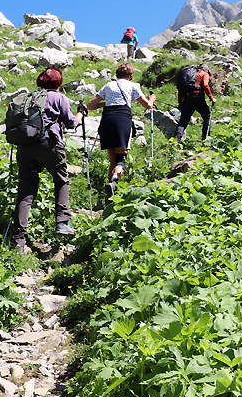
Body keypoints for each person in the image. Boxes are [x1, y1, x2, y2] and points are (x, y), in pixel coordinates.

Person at [11, 68, 85, 253]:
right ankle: (62, 223)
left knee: (26, 193)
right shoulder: (59, 98)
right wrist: (80, 114)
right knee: (61, 180)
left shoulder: (29, 97)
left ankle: (19, 241)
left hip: (25, 146)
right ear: (58, 83)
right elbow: (71, 124)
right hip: (49, 143)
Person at [85, 62, 155, 200]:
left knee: (112, 160)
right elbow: (147, 106)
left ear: (117, 74)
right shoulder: (132, 86)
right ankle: (115, 180)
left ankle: (109, 197)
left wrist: (106, 103)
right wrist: (152, 99)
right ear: (130, 75)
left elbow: (91, 106)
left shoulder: (108, 86)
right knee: (121, 159)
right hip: (122, 119)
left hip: (107, 120)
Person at [175, 63, 214, 142]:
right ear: (205, 69)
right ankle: (205, 138)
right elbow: (206, 85)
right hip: (198, 97)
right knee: (207, 116)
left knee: (183, 121)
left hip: (187, 98)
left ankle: (176, 140)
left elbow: (180, 91)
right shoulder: (204, 74)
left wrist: (180, 105)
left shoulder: (187, 77)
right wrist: (211, 98)